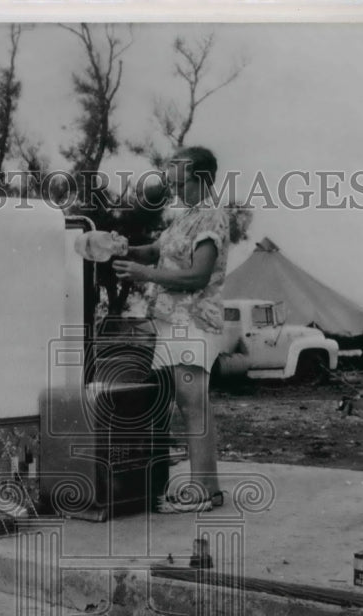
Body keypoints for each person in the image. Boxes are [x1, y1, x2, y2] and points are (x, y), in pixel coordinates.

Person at [112, 146, 232, 513]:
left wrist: (144, 274)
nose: (175, 188)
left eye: (181, 182)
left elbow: (197, 276)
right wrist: (125, 248)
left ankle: (202, 492)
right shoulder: (185, 217)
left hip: (193, 320)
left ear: (202, 179)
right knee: (190, 403)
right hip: (174, 321)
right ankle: (207, 490)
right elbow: (156, 251)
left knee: (192, 403)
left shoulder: (211, 217)